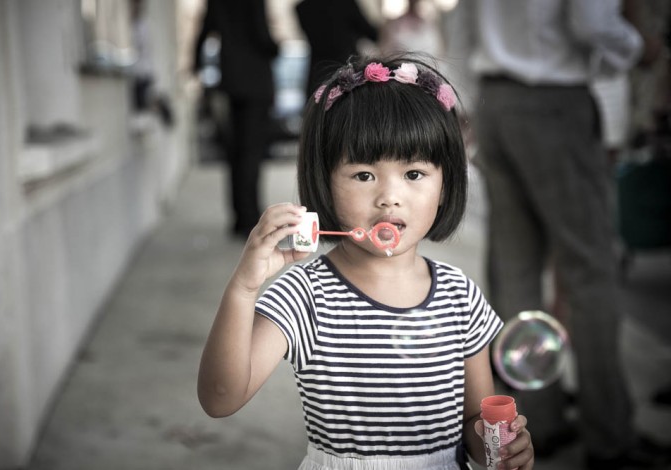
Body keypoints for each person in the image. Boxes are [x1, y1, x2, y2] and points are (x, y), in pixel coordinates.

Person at [197, 55, 534, 470]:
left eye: (414, 174)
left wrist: (500, 449)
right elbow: (219, 398)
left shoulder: (458, 295)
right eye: (363, 175)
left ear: (446, 185)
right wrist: (244, 288)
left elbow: (472, 425)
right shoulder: (306, 295)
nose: (389, 197)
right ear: (325, 181)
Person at [446, 1, 671, 469]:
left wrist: (470, 107)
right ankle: (610, 438)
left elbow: (460, 27)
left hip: (496, 102)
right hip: (554, 99)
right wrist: (641, 48)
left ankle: (536, 423)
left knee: (514, 268)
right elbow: (591, 21)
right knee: (591, 272)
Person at [192, 0, 279, 237]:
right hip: (256, 83)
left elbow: (203, 33)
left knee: (236, 152)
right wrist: (275, 47)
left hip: (232, 83)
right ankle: (251, 217)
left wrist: (195, 65)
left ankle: (239, 217)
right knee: (251, 152)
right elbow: (262, 35)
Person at [295, 0, 378, 96]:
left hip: (318, 71)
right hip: (346, 66)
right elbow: (370, 33)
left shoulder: (303, 7)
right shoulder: (345, 3)